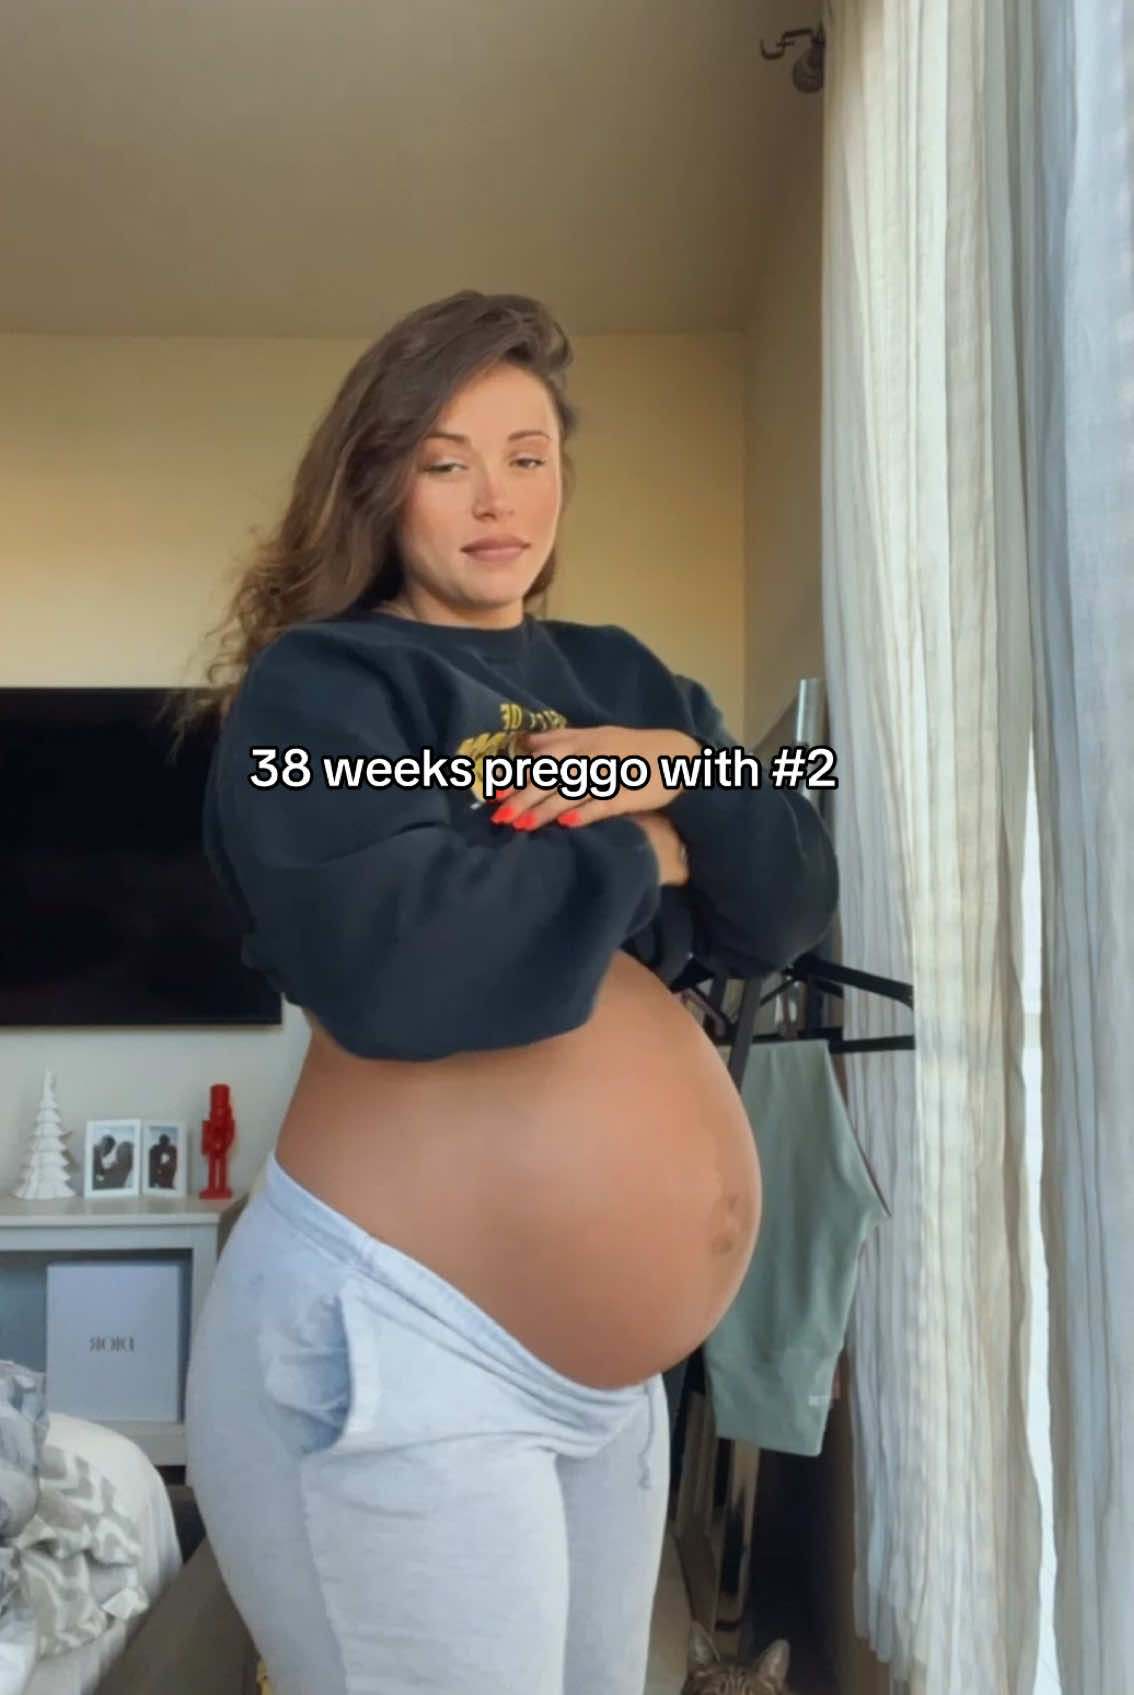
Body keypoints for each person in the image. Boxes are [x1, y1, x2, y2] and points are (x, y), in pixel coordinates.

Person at [180, 291, 838, 1695]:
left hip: (607, 1387)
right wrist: (653, 838)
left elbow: (784, 900)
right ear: (380, 484)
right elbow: (402, 970)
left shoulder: (620, 674)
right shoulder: (327, 688)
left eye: (528, 455)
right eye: (446, 460)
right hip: (405, 1342)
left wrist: (674, 764)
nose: (497, 497)